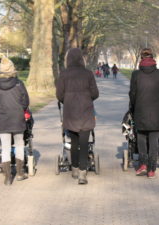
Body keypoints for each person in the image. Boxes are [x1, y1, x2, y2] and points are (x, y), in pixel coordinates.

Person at [56, 48, 99, 185]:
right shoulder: (88, 74)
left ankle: (74, 169)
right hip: (85, 112)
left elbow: (59, 95)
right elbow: (95, 93)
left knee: (74, 142)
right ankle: (82, 173)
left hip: (70, 113)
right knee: (84, 143)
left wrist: (67, 101)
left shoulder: (63, 74)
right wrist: (87, 98)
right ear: (82, 59)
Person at [0, 57, 30, 185]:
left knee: (5, 148)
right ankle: (20, 173)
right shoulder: (19, 84)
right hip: (17, 119)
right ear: (12, 69)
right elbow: (25, 102)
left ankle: (7, 177)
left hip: (3, 119)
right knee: (19, 145)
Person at [129, 48, 159, 179]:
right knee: (154, 142)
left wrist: (133, 108)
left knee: (141, 140)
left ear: (141, 58)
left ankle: (143, 164)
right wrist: (158, 104)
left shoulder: (136, 75)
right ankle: (152, 170)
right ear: (153, 58)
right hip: (156, 113)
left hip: (140, 112)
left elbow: (132, 95)